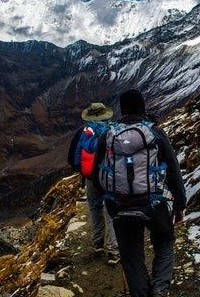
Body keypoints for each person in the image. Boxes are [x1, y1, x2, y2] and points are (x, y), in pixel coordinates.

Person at [92, 90, 187, 297]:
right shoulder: (156, 134)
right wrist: (179, 205)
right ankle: (160, 288)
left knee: (131, 255)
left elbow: (95, 174)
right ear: (143, 108)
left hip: (120, 204)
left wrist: (109, 199)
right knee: (165, 240)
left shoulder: (107, 136)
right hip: (153, 203)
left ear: (121, 110)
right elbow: (173, 170)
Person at [67, 102, 120, 265]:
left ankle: (98, 243)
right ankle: (113, 250)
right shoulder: (114, 130)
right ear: (106, 115)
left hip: (91, 179)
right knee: (111, 211)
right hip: (110, 177)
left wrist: (84, 172)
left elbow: (72, 158)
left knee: (94, 208)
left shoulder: (83, 133)